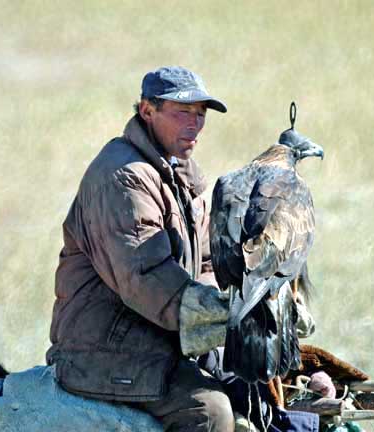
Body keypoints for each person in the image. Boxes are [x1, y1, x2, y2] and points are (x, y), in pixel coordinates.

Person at [46, 66, 234, 432]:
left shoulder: (183, 175)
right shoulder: (124, 175)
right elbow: (146, 279)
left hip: (157, 345)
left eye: (201, 114)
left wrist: (229, 319)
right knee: (210, 414)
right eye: (182, 113)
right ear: (147, 111)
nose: (194, 125)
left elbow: (208, 264)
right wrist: (229, 323)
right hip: (108, 354)